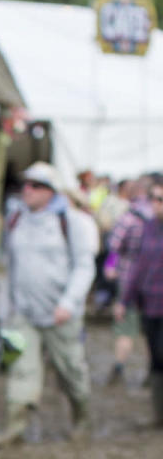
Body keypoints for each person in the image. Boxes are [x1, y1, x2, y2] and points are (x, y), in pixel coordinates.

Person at [0, 162, 96, 447]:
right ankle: (15, 427)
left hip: (61, 313)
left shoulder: (70, 221)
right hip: (24, 313)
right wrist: (5, 310)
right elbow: (7, 267)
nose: (28, 190)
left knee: (70, 370)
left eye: (36, 185)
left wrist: (69, 303)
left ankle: (81, 418)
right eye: (25, 184)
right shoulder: (16, 220)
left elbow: (84, 266)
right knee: (22, 370)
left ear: (51, 191)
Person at [119, 177, 163, 426]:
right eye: (154, 199)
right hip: (150, 304)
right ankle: (159, 415)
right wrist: (124, 299)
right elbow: (137, 264)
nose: (156, 205)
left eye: (161, 199)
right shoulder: (146, 227)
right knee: (156, 358)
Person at [104, 178, 152, 383]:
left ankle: (119, 366)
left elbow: (114, 246)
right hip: (155, 283)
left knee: (125, 328)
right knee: (154, 329)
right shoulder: (155, 219)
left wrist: (110, 266)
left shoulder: (128, 218)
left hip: (128, 279)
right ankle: (154, 371)